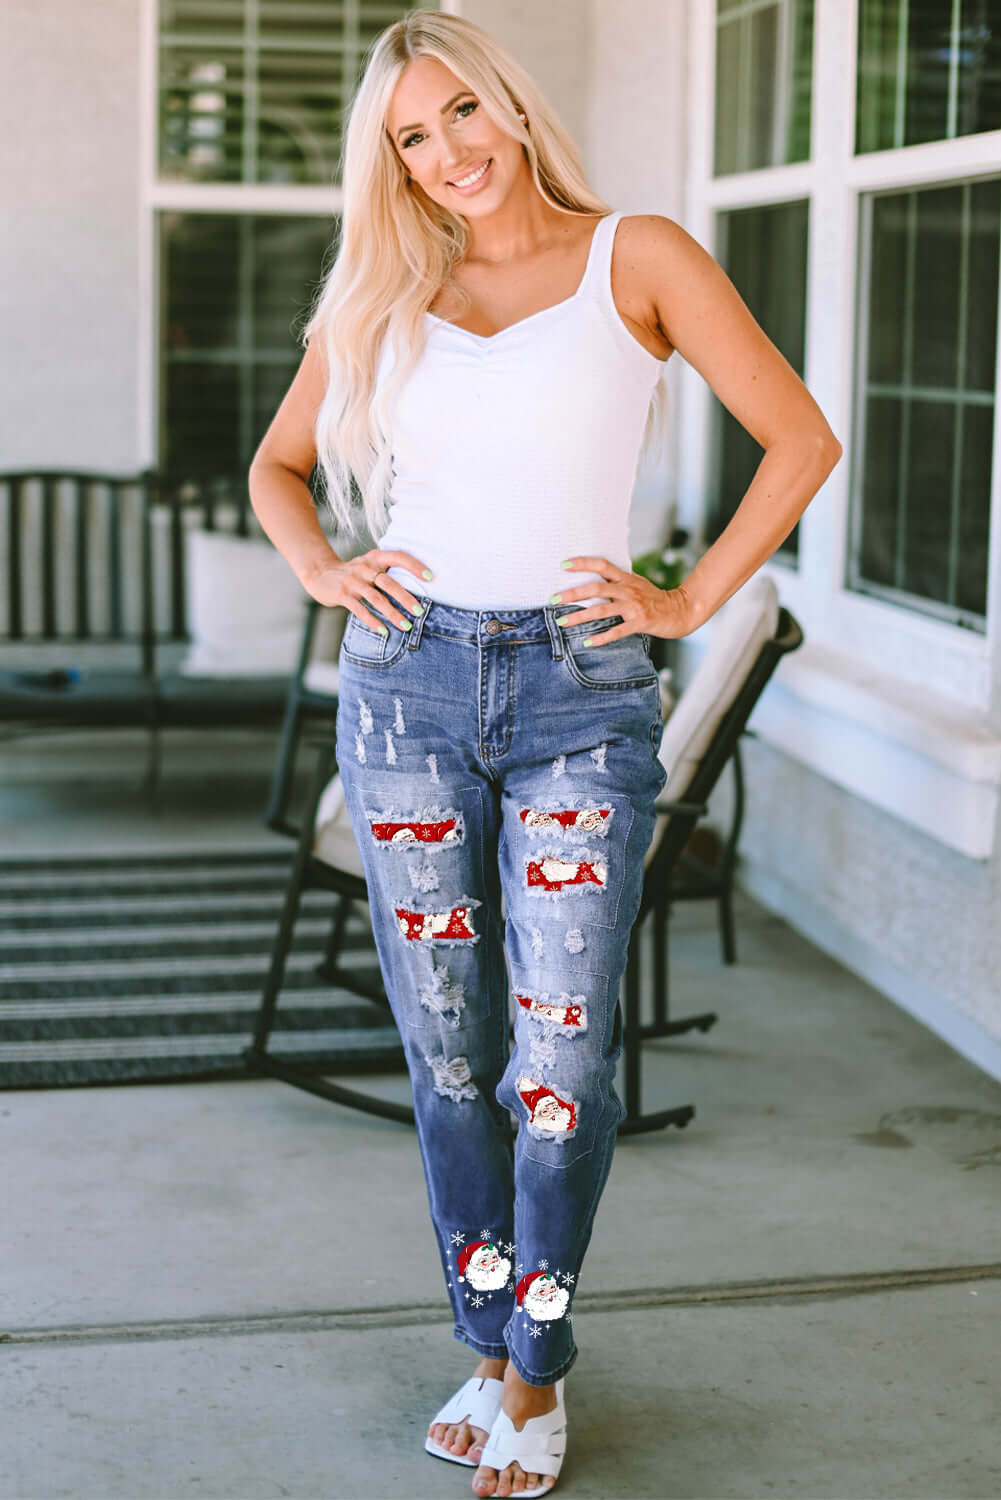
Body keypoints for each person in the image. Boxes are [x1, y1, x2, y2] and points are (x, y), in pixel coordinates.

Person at [247, 11, 841, 1496]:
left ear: (507, 105)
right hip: (404, 686)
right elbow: (273, 464)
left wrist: (686, 600)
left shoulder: (634, 253)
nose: (443, 155)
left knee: (562, 1064)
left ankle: (536, 1366)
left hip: (580, 690)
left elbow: (799, 436)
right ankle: (482, 1336)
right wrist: (325, 567)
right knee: (450, 1057)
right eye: (408, 136)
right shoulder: (387, 285)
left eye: (459, 115)